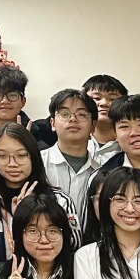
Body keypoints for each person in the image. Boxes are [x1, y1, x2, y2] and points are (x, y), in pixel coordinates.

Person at [0, 124, 79, 262]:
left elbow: (74, 248)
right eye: (3, 156)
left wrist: (28, 216)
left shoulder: (60, 200)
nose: (12, 163)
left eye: (21, 155)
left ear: (33, 156)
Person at [40, 89, 101, 232]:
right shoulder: (36, 164)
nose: (73, 119)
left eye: (81, 114)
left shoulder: (101, 172)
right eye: (65, 114)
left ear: (93, 125)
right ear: (53, 123)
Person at [81, 74, 127, 167]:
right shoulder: (74, 137)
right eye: (96, 98)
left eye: (112, 99)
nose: (104, 103)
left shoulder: (129, 143)